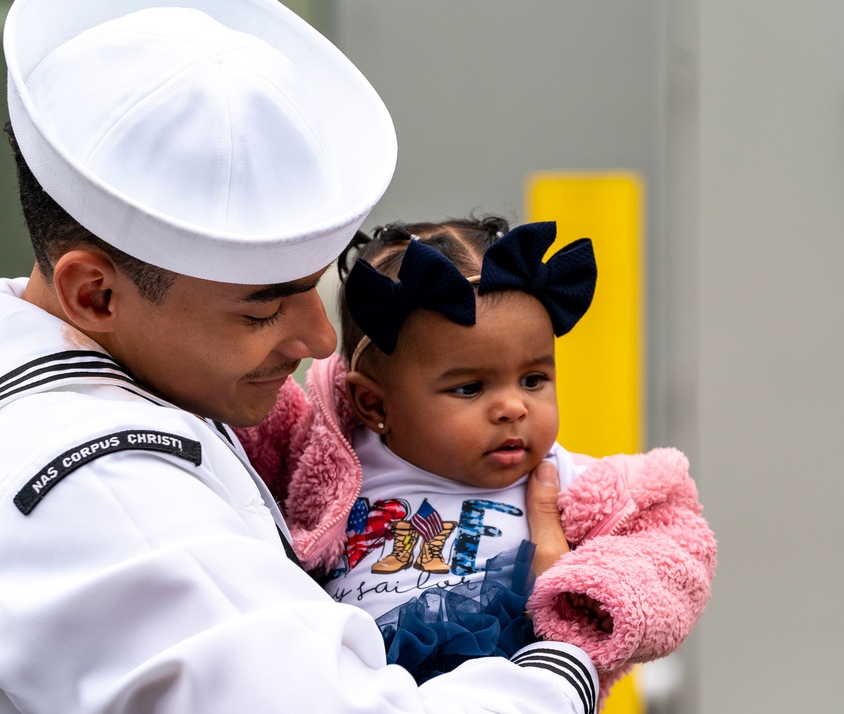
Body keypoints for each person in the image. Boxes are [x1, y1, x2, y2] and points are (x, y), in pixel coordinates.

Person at [0, 1, 603, 712]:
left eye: (313, 291)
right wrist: (565, 655)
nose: (321, 341)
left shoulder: (66, 384)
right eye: (261, 307)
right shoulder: (107, 498)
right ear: (94, 293)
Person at [235, 216, 717, 705]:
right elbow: (231, 418)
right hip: (348, 684)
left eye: (533, 379)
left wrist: (586, 593)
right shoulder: (332, 458)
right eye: (469, 387)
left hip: (511, 683)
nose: (514, 406)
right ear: (375, 406)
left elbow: (677, 548)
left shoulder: (567, 480)